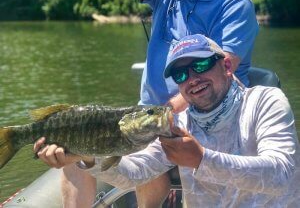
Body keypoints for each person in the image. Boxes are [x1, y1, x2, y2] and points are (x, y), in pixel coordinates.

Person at [37, 0, 259, 207]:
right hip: (149, 115)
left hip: (206, 119)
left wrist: (154, 120)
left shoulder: (234, 3)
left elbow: (216, 75)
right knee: (74, 155)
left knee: (143, 148)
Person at [35, 33, 300, 207]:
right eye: (181, 74)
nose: (192, 78)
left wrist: (201, 159)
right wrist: (87, 158)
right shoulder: (177, 125)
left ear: (227, 66)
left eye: (199, 66)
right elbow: (134, 174)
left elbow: (281, 173)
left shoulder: (266, 101)